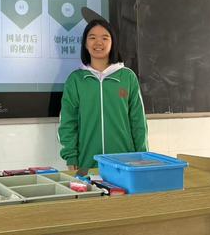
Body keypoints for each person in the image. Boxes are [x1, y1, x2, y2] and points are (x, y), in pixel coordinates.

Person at [58, 18, 148, 171]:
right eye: (92, 37)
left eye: (105, 38)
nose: (98, 42)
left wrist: (142, 156)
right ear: (85, 44)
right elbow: (68, 122)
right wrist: (70, 156)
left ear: (113, 43)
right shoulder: (76, 80)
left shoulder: (127, 77)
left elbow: (138, 122)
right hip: (86, 164)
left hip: (125, 164)